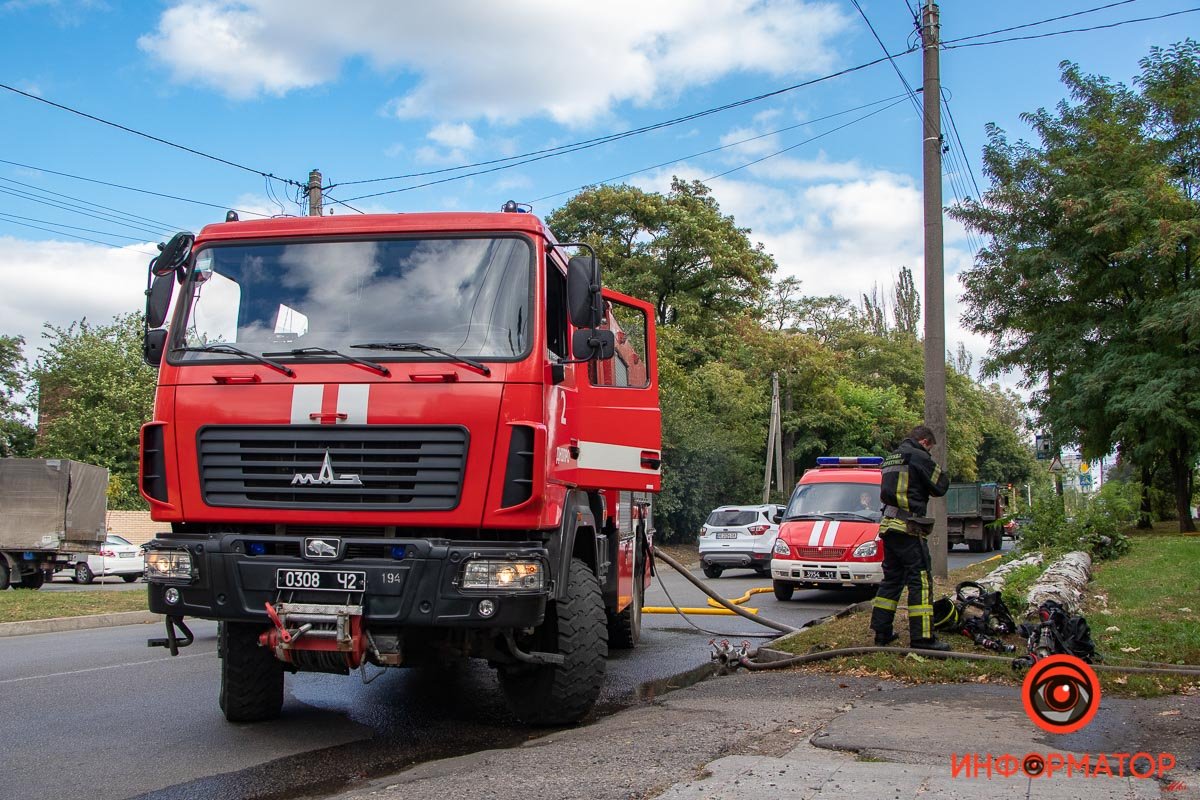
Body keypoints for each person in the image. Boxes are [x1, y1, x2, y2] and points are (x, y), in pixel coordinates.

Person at [870, 424, 951, 651]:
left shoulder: (890, 458)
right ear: (925, 442)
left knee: (892, 580)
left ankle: (882, 633)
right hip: (908, 528)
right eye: (930, 448)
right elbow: (940, 486)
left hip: (889, 526)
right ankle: (923, 638)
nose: (930, 452)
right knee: (921, 580)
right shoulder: (919, 456)